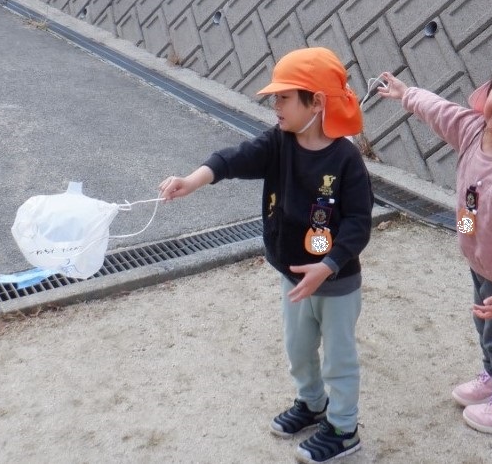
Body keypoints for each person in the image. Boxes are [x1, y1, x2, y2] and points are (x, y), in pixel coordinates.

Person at [159, 47, 373, 463]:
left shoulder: (346, 160)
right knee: (298, 348)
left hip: (336, 282)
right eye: (275, 98)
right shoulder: (279, 142)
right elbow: (235, 158)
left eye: (284, 98)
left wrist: (328, 266)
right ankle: (312, 404)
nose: (275, 106)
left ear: (316, 102)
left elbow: (358, 224)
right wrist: (193, 180)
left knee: (339, 358)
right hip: (292, 274)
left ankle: (344, 429)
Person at [377, 54, 492, 437]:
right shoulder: (472, 129)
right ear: (487, 92)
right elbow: (439, 111)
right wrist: (405, 93)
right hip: (480, 258)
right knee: (483, 326)